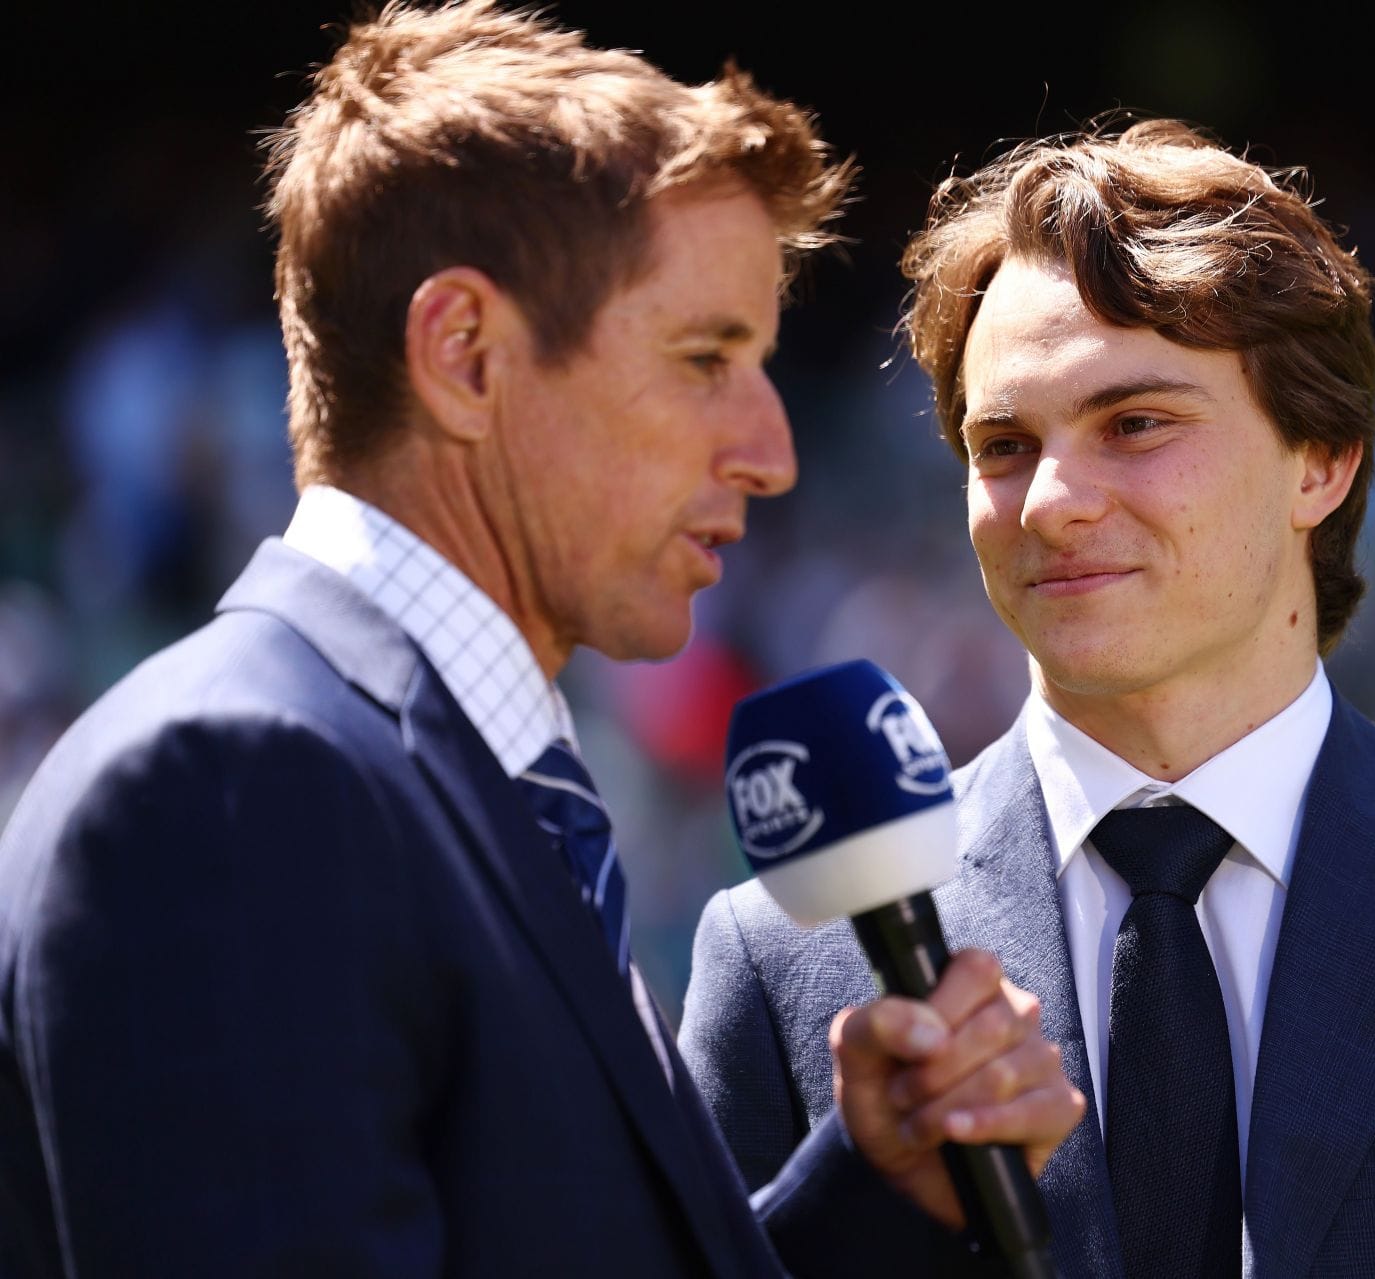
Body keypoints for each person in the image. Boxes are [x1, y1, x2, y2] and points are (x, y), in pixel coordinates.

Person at [0, 3, 1084, 1276]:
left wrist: (866, 1196)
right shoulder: (240, 787)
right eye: (703, 358)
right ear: (464, 355)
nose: (772, 450)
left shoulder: (441, 778)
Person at [679, 119, 1375, 1275]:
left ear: (1321, 458)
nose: (1051, 500)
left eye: (1135, 424)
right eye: (1002, 444)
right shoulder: (781, 960)